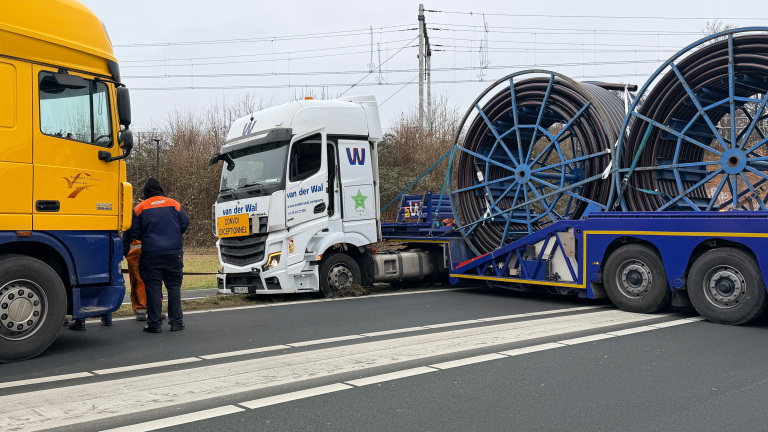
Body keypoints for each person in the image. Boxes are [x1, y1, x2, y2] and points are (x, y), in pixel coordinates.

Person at [123, 178, 189, 333]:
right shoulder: (174, 204)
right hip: (174, 253)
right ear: (162, 191)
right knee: (174, 287)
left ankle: (154, 324)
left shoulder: (140, 208)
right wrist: (174, 234)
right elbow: (185, 222)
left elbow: (134, 232)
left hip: (151, 254)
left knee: (153, 288)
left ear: (146, 194)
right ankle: (177, 322)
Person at [126, 238, 163, 321]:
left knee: (150, 280)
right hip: (145, 250)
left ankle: (150, 309)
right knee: (149, 280)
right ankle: (149, 309)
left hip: (140, 249)